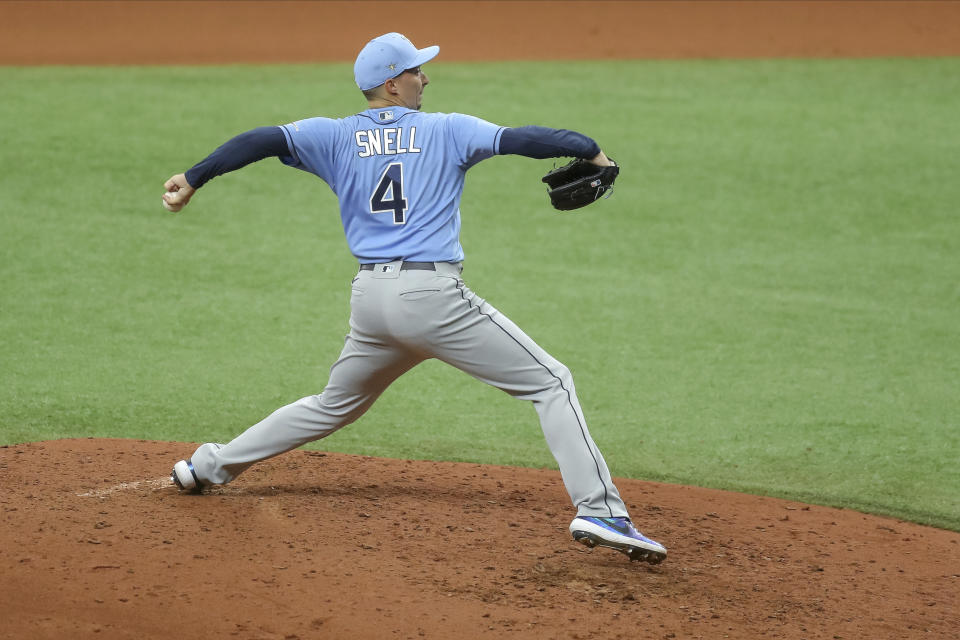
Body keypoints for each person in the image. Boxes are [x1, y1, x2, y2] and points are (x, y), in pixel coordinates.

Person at [164, 32, 666, 564]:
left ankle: (206, 467)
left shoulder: (332, 137)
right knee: (551, 382)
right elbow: (525, 138)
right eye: (416, 70)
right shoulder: (447, 130)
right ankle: (601, 509)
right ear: (392, 83)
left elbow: (260, 139)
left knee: (333, 405)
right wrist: (589, 148)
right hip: (430, 296)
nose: (425, 77)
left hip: (371, 301)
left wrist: (194, 177)